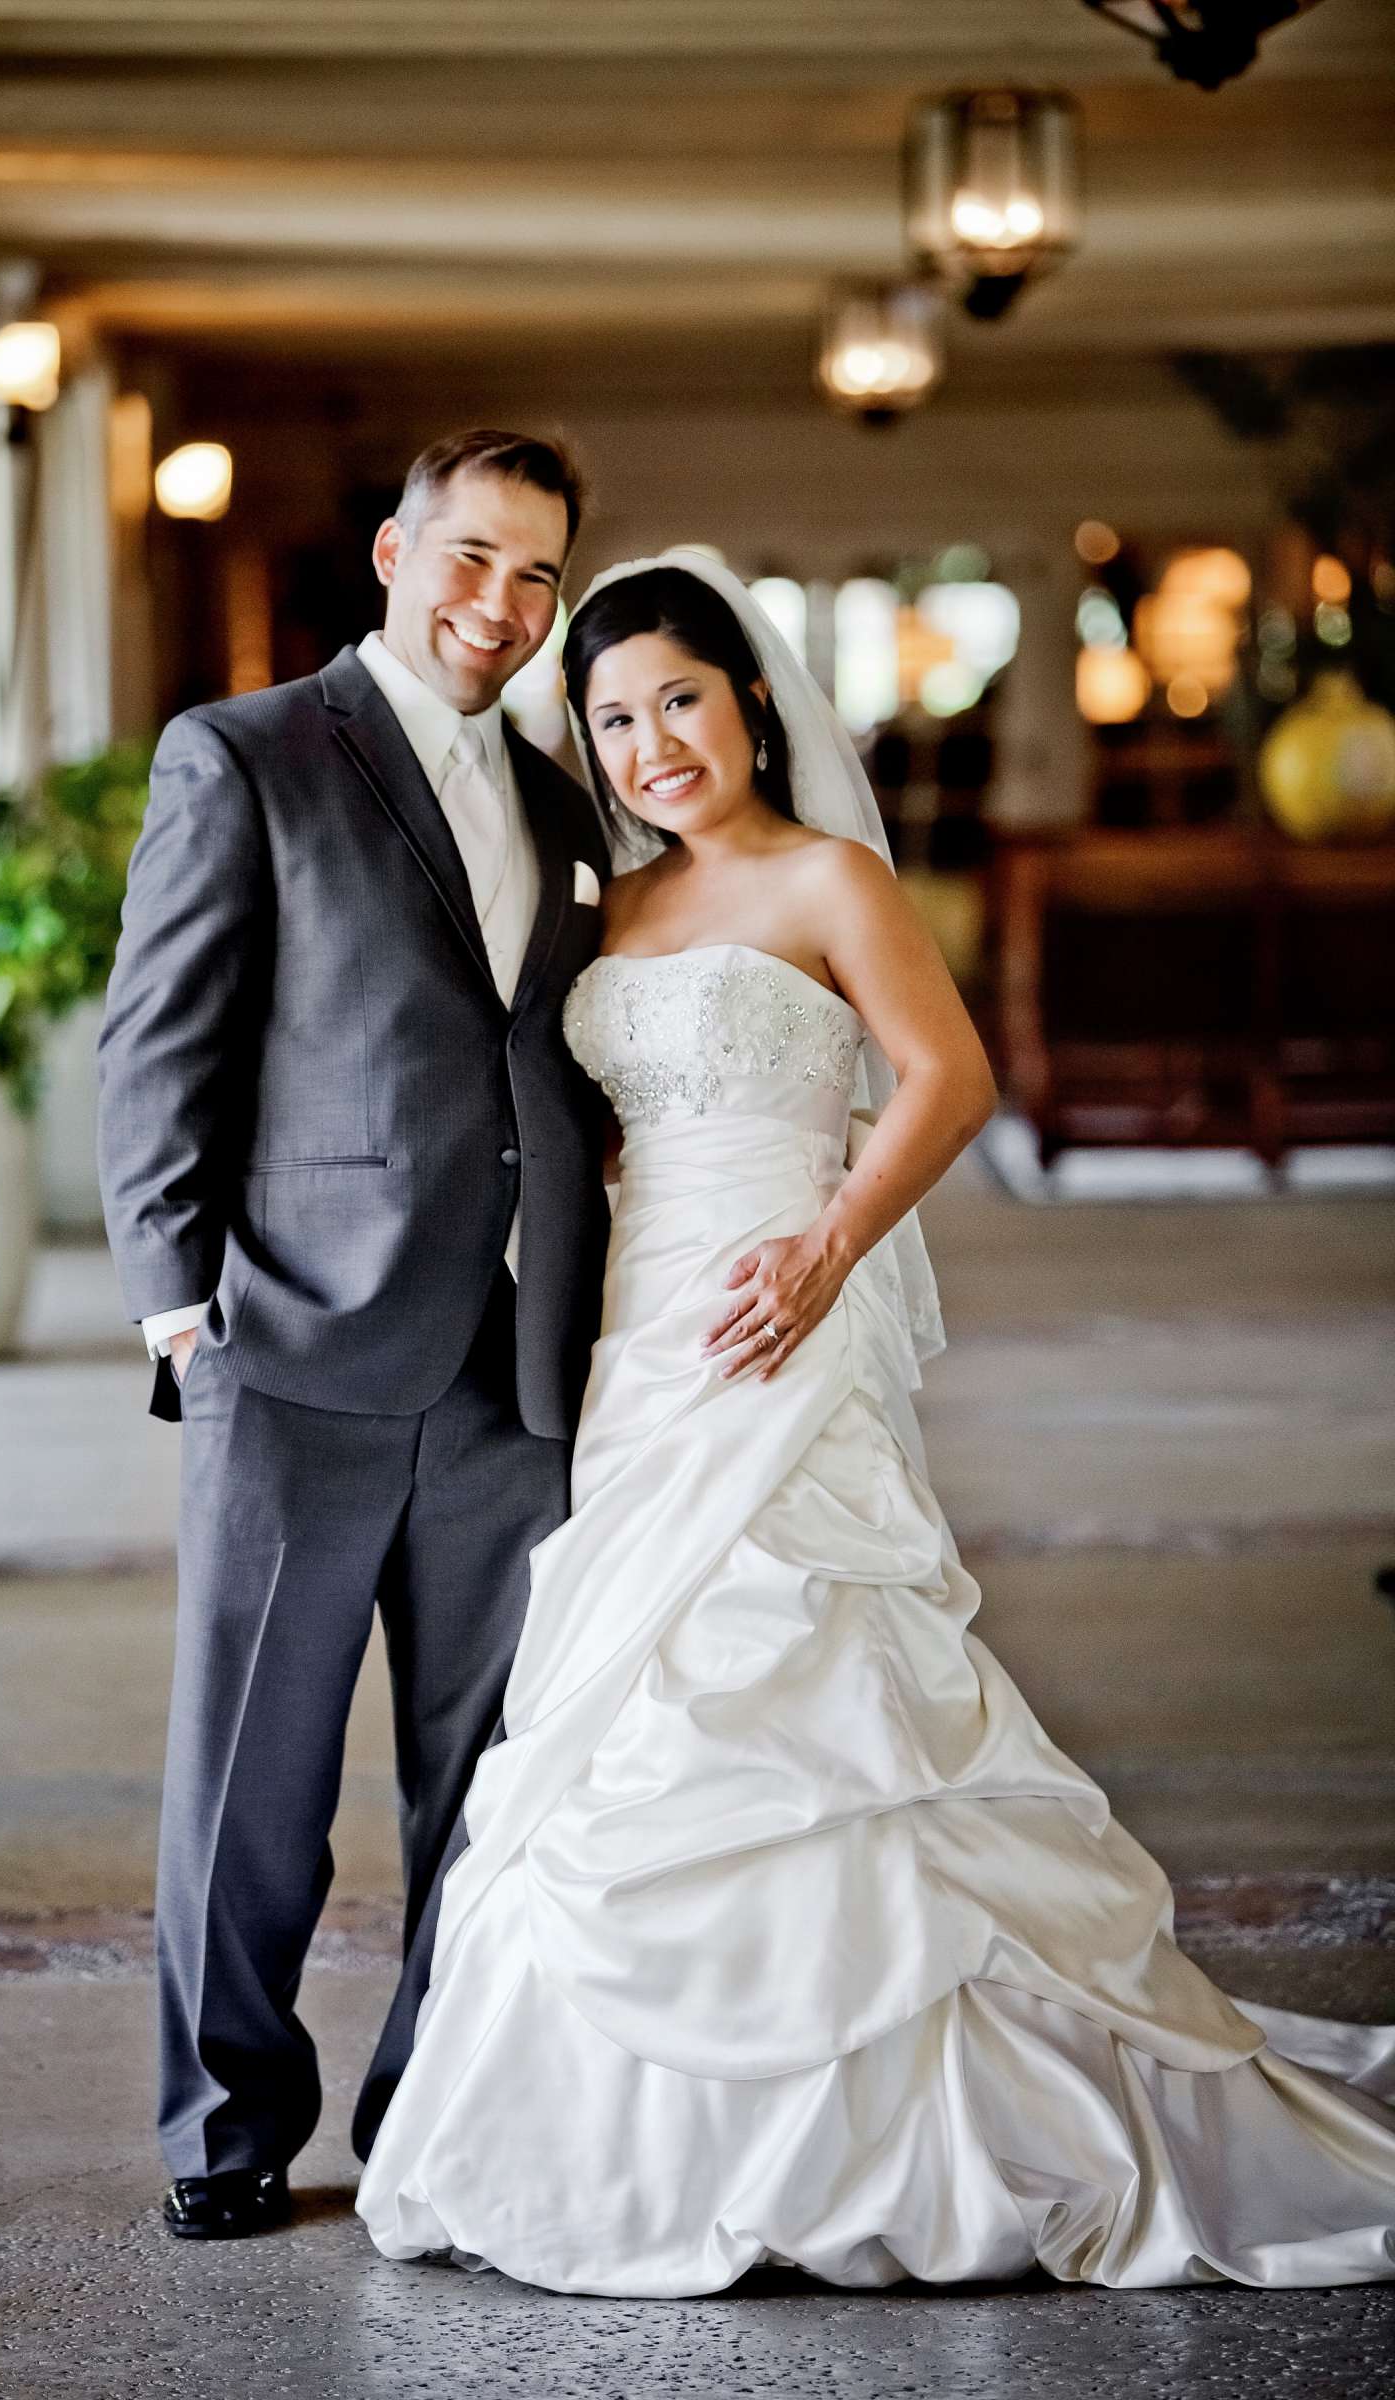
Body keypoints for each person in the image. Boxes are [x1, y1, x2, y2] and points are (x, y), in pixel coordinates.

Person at [355, 553, 1395, 2296]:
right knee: (624, 1698)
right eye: (615, 720)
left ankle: (911, 2118)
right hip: (644, 1342)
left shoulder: (833, 877)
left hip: (788, 1310)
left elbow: (950, 1080)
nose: (654, 744)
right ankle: (619, 2139)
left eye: (680, 699)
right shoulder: (608, 906)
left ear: (752, 701)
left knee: (809, 1660)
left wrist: (830, 1246)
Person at [96, 429, 612, 2242]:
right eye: (473, 558)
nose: (502, 603)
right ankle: (222, 2132)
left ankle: (423, 2118)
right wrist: (180, 1313)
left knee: (482, 1781)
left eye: (538, 574)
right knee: (255, 1778)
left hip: (513, 1362)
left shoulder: (567, 803)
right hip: (291, 1339)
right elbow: (161, 1037)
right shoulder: (243, 753)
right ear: (396, 553)